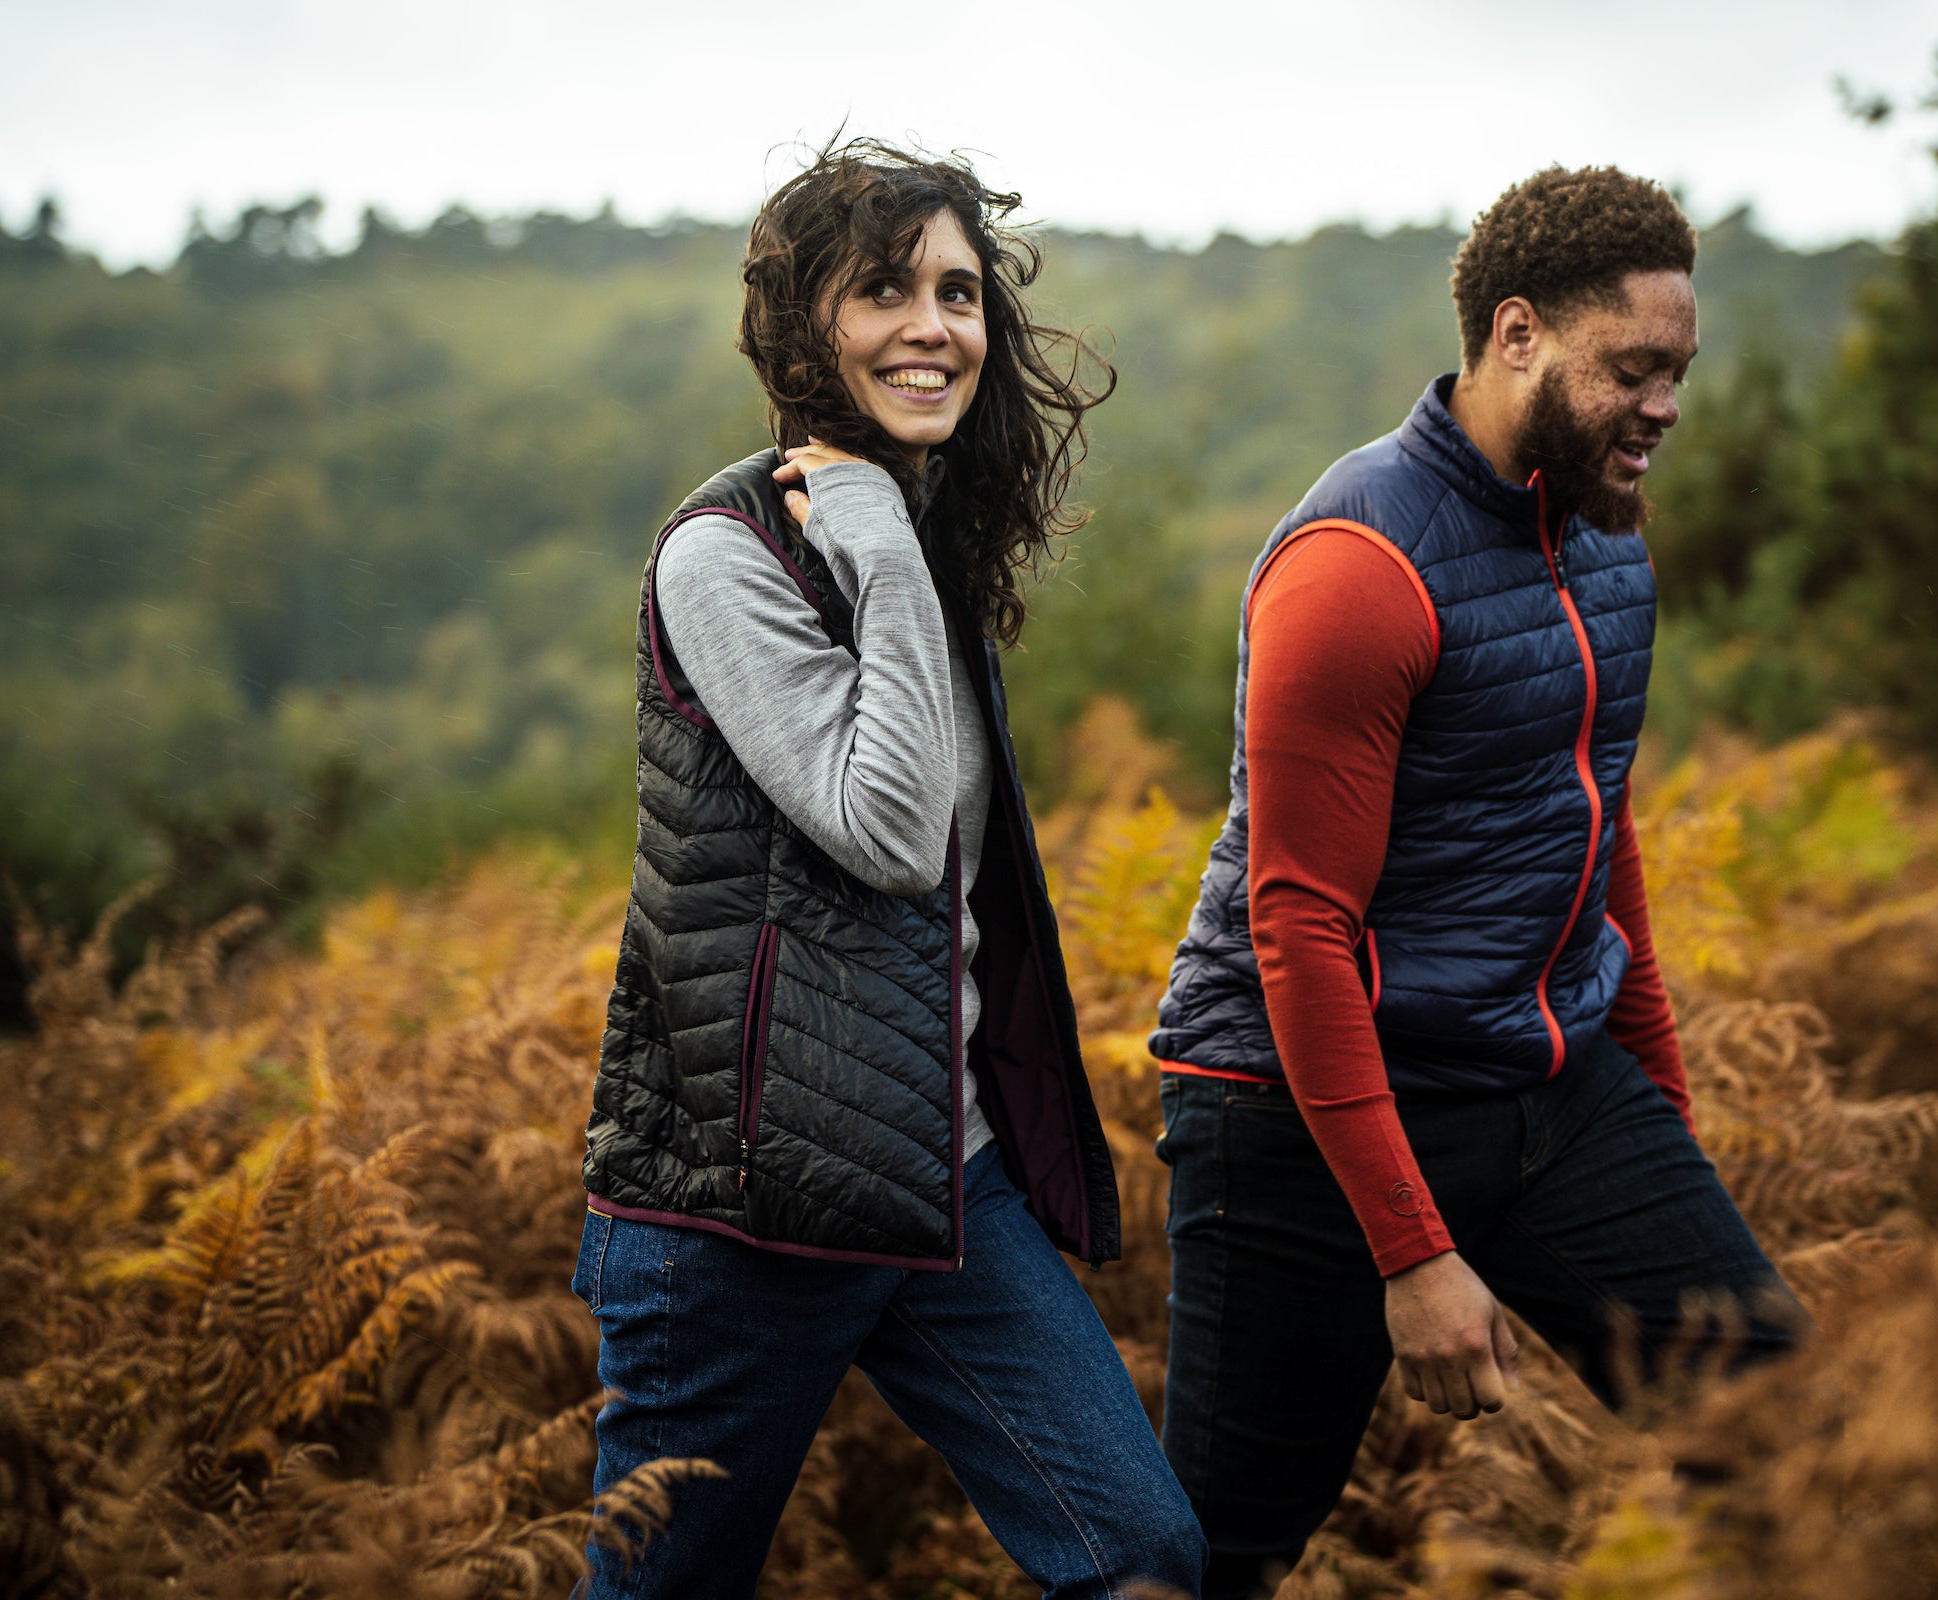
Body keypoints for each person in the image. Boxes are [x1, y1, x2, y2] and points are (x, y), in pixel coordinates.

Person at [1147, 165, 1805, 1597]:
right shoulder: (1355, 566)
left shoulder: (1607, 538)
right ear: (1517, 336)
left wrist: (1662, 1130)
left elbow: (1596, 839)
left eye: (1680, 371)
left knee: (1784, 1435)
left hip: (1549, 1089)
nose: (1668, 407)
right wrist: (1413, 1254)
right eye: (1634, 369)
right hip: (1294, 1118)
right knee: (1211, 1559)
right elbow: (1298, 927)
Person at [573, 139, 1205, 1600]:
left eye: (961, 291)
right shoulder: (727, 552)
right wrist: (874, 538)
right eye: (886, 291)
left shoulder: (907, 538)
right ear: (808, 326)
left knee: (1142, 1553)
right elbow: (891, 831)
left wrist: (893, 545)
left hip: (941, 1175)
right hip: (745, 1210)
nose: (935, 325)